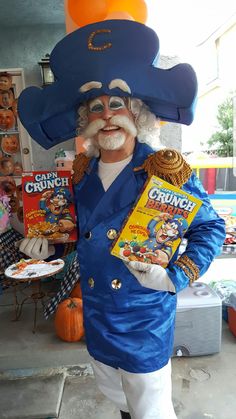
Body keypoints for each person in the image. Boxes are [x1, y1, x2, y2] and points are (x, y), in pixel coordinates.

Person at [17, 20, 225, 419]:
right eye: (96, 107)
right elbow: (73, 233)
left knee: (151, 408)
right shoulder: (78, 175)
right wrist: (44, 244)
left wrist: (174, 277)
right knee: (117, 398)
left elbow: (210, 227)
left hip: (143, 315)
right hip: (96, 311)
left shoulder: (164, 170)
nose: (107, 115)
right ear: (86, 121)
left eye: (117, 105)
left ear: (138, 114)